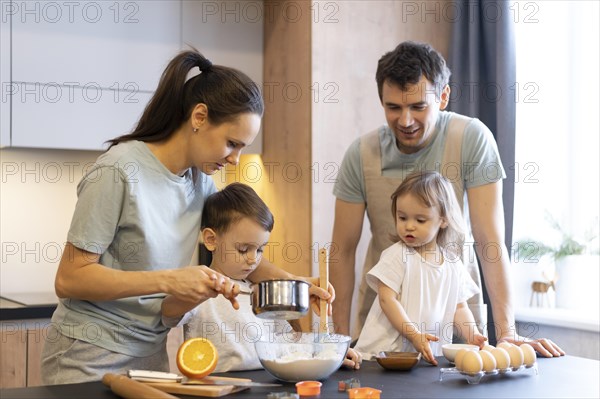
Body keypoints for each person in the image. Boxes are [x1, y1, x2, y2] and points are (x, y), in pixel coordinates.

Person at [41, 49, 332, 385]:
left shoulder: (200, 182)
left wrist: (293, 285)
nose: (236, 159)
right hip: (88, 354)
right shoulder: (118, 171)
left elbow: (235, 248)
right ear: (199, 117)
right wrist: (168, 280)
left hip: (150, 355)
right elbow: (70, 278)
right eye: (231, 143)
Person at [330, 41, 564, 357]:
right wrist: (339, 342)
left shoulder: (471, 138)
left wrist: (507, 333)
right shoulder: (361, 154)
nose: (406, 121)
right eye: (393, 108)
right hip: (383, 324)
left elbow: (489, 240)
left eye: (418, 107)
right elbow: (342, 250)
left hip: (455, 313)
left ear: (442, 97)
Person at [162, 183, 361, 371]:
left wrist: (329, 355)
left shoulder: (262, 292)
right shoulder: (199, 287)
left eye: (259, 250)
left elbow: (287, 345)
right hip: (217, 387)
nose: (253, 259)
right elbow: (169, 312)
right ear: (211, 240)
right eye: (243, 249)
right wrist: (205, 291)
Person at [354, 171, 487, 364]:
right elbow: (386, 299)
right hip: (382, 356)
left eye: (420, 220)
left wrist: (472, 333)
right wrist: (414, 334)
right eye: (402, 217)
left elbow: (460, 308)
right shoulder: (397, 256)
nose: (409, 226)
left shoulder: (453, 265)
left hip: (424, 358)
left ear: (443, 219)